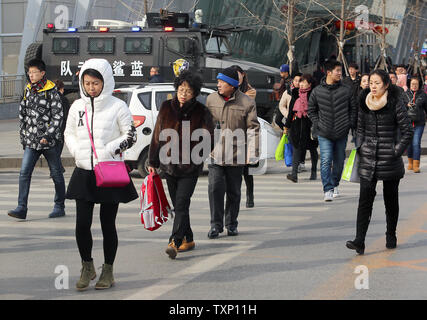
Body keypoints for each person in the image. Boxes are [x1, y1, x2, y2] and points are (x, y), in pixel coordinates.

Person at [64, 58, 138, 291]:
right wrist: (76, 151)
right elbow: (69, 133)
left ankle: (108, 270)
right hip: (84, 171)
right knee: (81, 225)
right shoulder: (77, 106)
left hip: (109, 171)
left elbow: (130, 135)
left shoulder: (118, 106)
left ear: (105, 81)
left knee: (108, 224)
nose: (91, 87)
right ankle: (87, 267)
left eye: (96, 83)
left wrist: (109, 150)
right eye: (87, 83)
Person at [148, 71, 215, 259]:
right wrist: (153, 161)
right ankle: (189, 238)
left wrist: (195, 157)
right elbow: (157, 134)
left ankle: (175, 241)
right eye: (181, 89)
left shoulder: (201, 112)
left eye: (188, 90)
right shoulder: (166, 107)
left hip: (189, 168)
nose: (183, 93)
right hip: (169, 166)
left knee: (181, 203)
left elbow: (208, 139)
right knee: (179, 206)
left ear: (195, 93)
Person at [346, 69, 413, 255]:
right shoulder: (364, 102)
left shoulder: (395, 103)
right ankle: (359, 240)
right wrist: (360, 146)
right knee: (364, 200)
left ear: (385, 84)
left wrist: (396, 151)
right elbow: (359, 128)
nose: (373, 86)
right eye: (371, 82)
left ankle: (391, 234)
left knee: (390, 199)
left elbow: (407, 131)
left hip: (389, 159)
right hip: (368, 158)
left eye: (377, 83)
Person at [7, 59, 66, 220]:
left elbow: (58, 117)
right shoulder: (28, 90)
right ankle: (21, 207)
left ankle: (59, 206)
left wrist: (48, 136)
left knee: (56, 174)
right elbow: (23, 114)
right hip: (31, 142)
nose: (31, 75)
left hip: (50, 142)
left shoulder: (51, 91)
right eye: (29, 72)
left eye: (34, 72)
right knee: (24, 173)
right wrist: (23, 136)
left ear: (42, 73)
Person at [206, 67, 260, 238]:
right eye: (218, 82)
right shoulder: (211, 99)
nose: (218, 84)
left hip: (237, 155)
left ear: (232, 85)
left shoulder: (247, 102)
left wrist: (253, 153)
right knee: (214, 189)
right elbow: (204, 125)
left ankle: (231, 224)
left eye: (222, 82)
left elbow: (253, 129)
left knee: (234, 191)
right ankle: (215, 225)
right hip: (215, 153)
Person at [307, 60, 357, 202]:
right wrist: (318, 123)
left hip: (341, 131)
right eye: (337, 71)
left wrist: (349, 123)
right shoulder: (317, 91)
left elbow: (353, 109)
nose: (340, 73)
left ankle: (335, 184)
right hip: (324, 132)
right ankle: (327, 189)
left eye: (340, 71)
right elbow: (311, 110)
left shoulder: (346, 90)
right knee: (326, 160)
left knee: (339, 161)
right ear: (328, 72)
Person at [284, 74, 318, 182]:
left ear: (310, 84)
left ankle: (313, 171)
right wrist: (287, 125)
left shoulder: (314, 94)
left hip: (310, 126)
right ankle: (294, 174)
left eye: (304, 82)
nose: (301, 84)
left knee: (312, 149)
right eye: (300, 82)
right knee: (296, 148)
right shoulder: (295, 94)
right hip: (297, 125)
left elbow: (318, 110)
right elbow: (291, 111)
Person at [231, 65, 257, 208]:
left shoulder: (250, 91)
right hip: (231, 133)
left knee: (247, 168)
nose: (236, 77)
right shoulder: (228, 89)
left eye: (238, 75)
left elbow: (243, 105)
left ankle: (250, 195)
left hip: (246, 132)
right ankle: (235, 196)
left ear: (243, 75)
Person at [403, 77, 427, 173]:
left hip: (419, 123)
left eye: (416, 84)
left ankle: (416, 165)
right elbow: (400, 107)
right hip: (408, 123)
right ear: (409, 84)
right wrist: (406, 105)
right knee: (409, 144)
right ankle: (410, 162)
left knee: (416, 143)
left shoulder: (423, 95)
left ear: (419, 85)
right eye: (412, 84)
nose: (414, 86)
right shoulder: (405, 95)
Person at [54, 79, 71, 172]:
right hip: (61, 127)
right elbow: (67, 114)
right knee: (57, 151)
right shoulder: (63, 99)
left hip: (52, 128)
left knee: (54, 151)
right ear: (61, 89)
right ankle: (57, 169)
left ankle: (58, 168)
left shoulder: (50, 98)